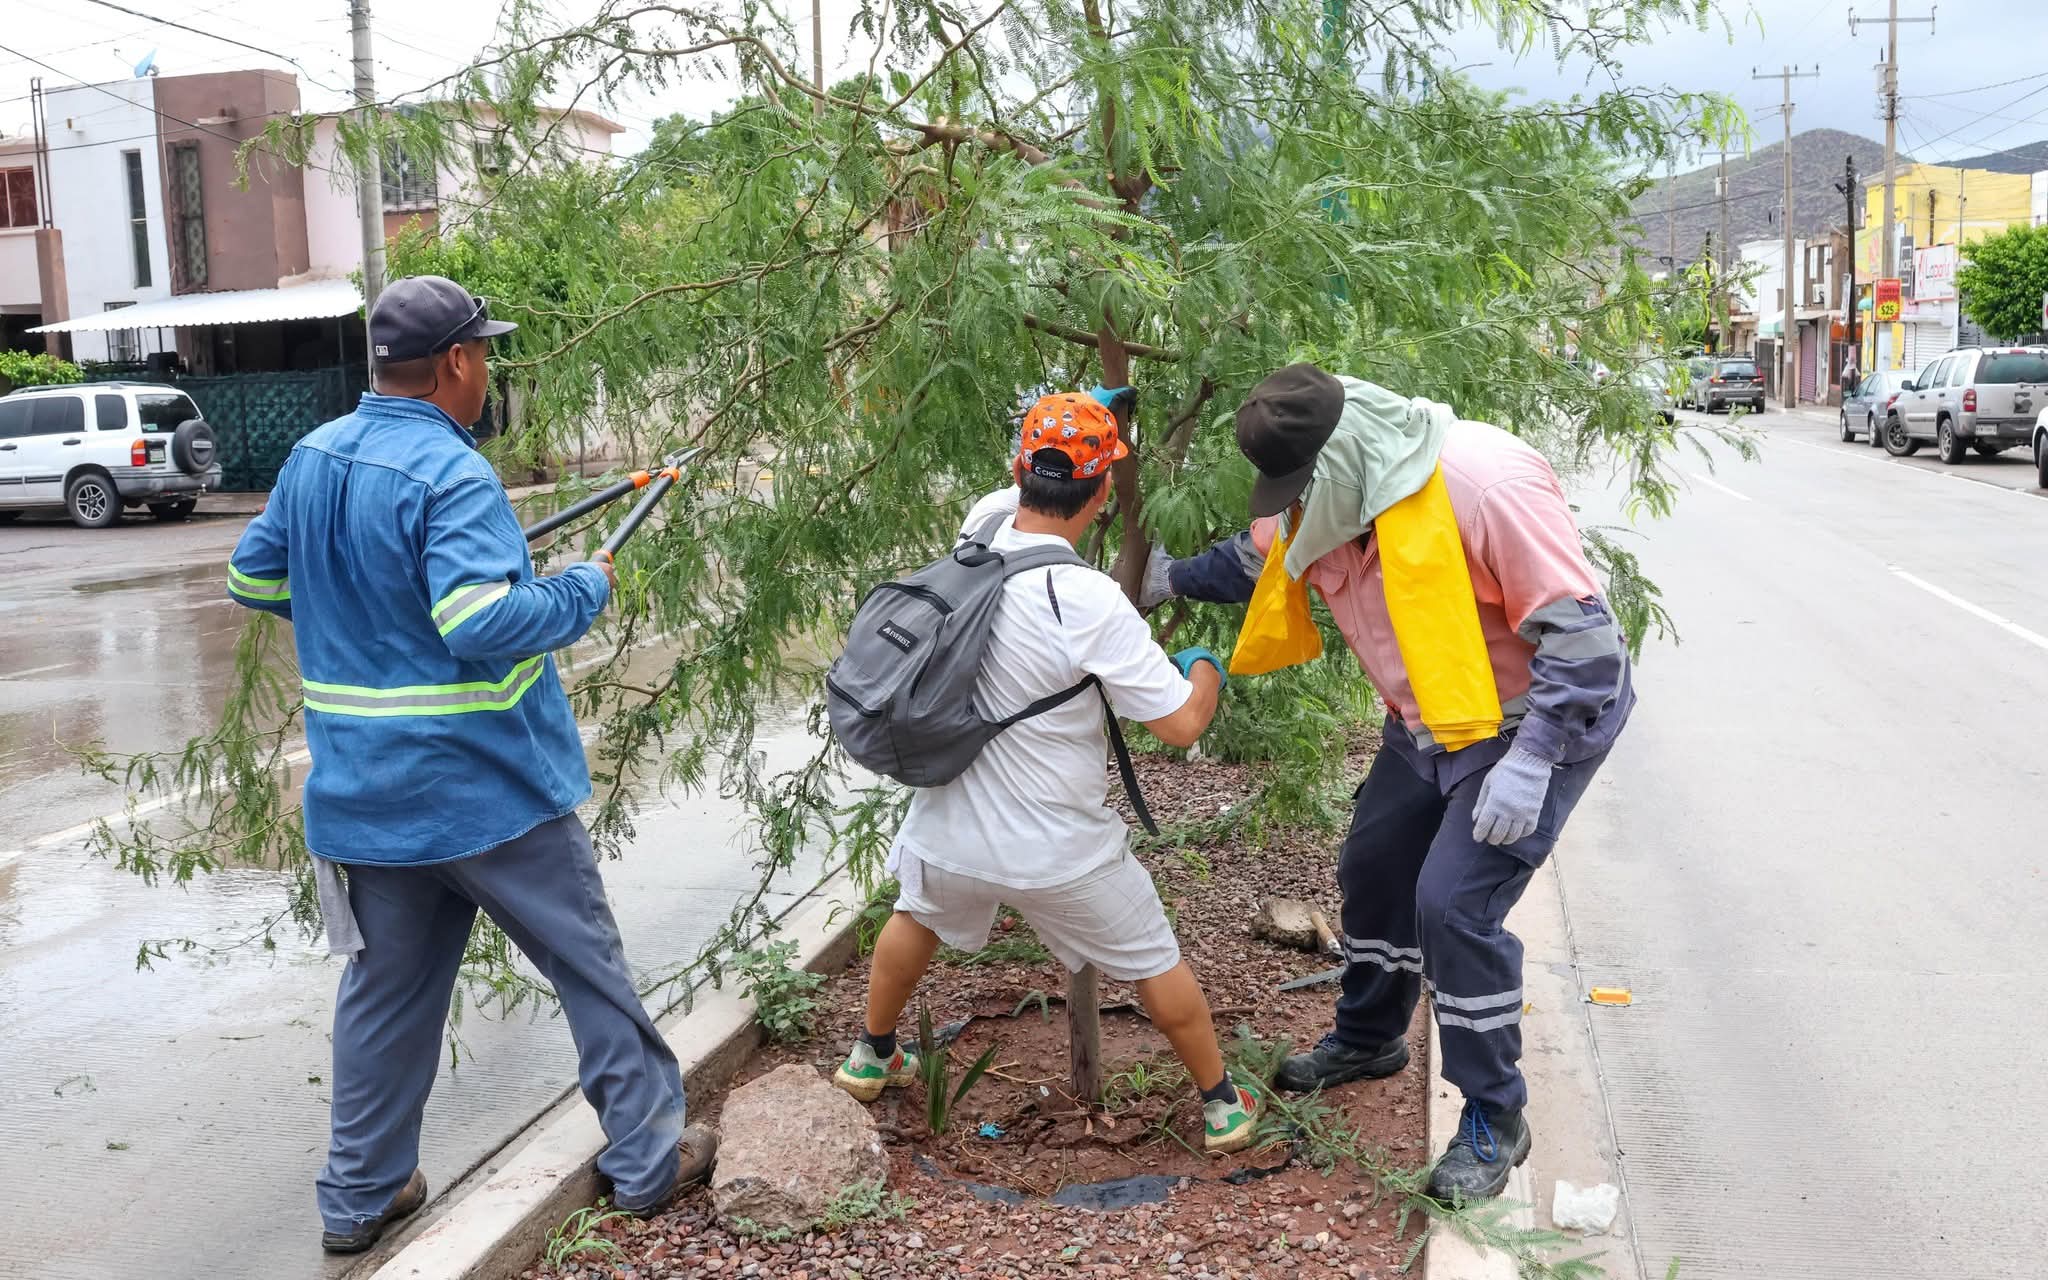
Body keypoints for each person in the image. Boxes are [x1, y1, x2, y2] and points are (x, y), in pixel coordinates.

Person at [227, 276, 714, 1253]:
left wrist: (355, 611)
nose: (487, 368)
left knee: (383, 1001)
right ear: (455, 361)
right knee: (589, 970)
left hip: (363, 800)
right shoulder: (454, 475)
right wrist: (581, 588)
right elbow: (477, 620)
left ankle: (360, 1197)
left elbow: (252, 574)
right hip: (488, 793)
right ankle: (648, 1157)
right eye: (483, 352)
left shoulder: (314, 454)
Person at [1148, 365, 1633, 1199]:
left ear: (1344, 453)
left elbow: (1588, 648)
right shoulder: (1326, 499)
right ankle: (1371, 1035)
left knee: (1453, 904)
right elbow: (1255, 560)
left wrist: (1532, 759)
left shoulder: (1483, 487)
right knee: (1373, 868)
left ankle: (1494, 1115)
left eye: (1299, 485)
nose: (1289, 505)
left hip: (1528, 721)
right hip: (1426, 719)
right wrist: (1169, 578)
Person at [829, 390, 1263, 1154]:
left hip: (949, 824)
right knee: (1154, 959)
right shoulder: (1086, 598)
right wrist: (1204, 670)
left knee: (916, 913)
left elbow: (1021, 485)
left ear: (1018, 470)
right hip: (1059, 849)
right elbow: (1181, 723)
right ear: (1101, 494)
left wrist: (1066, 419)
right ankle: (1223, 1105)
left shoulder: (981, 532)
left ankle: (872, 1052)